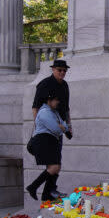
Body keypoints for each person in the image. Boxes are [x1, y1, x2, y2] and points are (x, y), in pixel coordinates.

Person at [31, 59, 71, 196]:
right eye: (59, 70)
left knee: (56, 162)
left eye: (64, 70)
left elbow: (66, 109)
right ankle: (40, 189)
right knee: (53, 164)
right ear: (53, 70)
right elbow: (35, 107)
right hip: (47, 129)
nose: (62, 73)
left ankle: (49, 191)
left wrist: (69, 127)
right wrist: (38, 129)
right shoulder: (44, 84)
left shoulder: (65, 85)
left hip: (59, 127)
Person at [26, 92, 69, 201]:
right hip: (43, 141)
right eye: (56, 100)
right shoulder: (44, 112)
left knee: (57, 167)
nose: (58, 102)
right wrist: (60, 127)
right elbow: (56, 129)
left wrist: (61, 127)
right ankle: (33, 187)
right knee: (53, 167)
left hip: (50, 141)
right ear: (49, 101)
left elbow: (65, 126)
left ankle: (47, 193)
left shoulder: (54, 112)